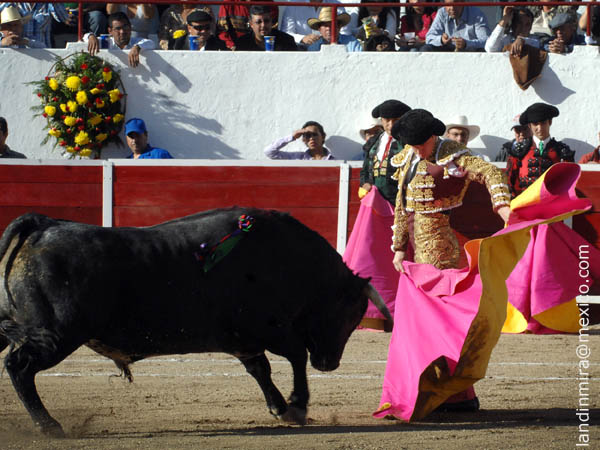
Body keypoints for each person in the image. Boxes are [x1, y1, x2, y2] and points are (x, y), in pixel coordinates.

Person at [388, 109, 511, 412]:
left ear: (432, 136)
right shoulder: (409, 155)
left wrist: (503, 207)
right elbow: (402, 204)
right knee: (421, 326)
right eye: (411, 144)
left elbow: (491, 172)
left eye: (419, 144)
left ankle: (453, 397)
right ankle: (448, 396)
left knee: (438, 326)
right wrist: (399, 247)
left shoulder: (453, 155)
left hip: (441, 252)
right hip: (417, 255)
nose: (415, 149)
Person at [506, 103, 574, 198]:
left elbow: (569, 184)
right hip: (526, 206)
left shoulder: (562, 151)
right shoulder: (519, 150)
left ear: (550, 122)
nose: (540, 128)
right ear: (529, 126)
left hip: (552, 207)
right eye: (535, 124)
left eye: (543, 123)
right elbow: (509, 182)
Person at [360, 99, 411, 206]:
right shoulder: (373, 142)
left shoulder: (409, 142)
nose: (391, 125)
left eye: (395, 120)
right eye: (387, 120)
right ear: (381, 120)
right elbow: (365, 169)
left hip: (401, 199)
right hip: (375, 198)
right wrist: (365, 183)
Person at [86, 12, 155, 68]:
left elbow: (151, 43)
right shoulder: (106, 42)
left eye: (125, 27)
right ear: (110, 31)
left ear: (130, 27)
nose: (122, 31)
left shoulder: (136, 42)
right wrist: (91, 36)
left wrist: (137, 47)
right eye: (118, 28)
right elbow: (84, 38)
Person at [281, 0, 355, 48]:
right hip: (300, 50)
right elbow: (285, 33)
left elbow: (345, 33)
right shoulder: (293, 5)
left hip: (332, 48)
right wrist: (302, 39)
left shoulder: (337, 5)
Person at [421, 3, 490, 52]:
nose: (452, 8)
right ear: (444, 4)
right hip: (448, 53)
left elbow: (486, 41)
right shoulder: (442, 12)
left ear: (462, 2)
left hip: (470, 54)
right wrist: (441, 40)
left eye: (455, 4)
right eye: (448, 5)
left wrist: (466, 44)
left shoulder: (476, 14)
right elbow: (429, 38)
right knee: (426, 48)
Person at [0, 2, 74, 48]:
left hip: (43, 52)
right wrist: (2, 41)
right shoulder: (11, 3)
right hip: (18, 50)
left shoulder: (48, 3)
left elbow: (64, 18)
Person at [264, 122, 334, 160]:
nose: (311, 138)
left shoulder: (335, 161)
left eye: (314, 134)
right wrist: (293, 137)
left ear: (323, 136)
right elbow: (269, 152)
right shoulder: (297, 158)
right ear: (304, 140)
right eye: (308, 135)